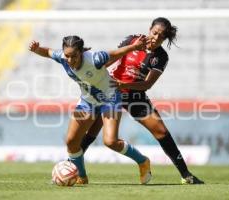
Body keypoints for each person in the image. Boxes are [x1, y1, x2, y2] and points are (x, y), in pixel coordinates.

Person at [81, 17, 205, 184]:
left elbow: (147, 84)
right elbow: (111, 60)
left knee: (161, 131)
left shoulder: (161, 57)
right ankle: (72, 168)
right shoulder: (132, 40)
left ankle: (186, 175)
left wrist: (122, 84)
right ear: (149, 29)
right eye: (154, 33)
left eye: (161, 37)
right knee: (92, 131)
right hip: (111, 92)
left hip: (134, 95)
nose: (156, 38)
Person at [29, 35, 152, 185]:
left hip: (110, 99)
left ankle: (143, 161)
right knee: (71, 141)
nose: (69, 60)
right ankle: (82, 177)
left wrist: (134, 47)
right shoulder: (62, 57)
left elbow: (116, 53)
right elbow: (48, 51)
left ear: (81, 52)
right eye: (67, 56)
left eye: (74, 56)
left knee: (110, 141)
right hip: (88, 101)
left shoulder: (95, 59)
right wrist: (36, 50)